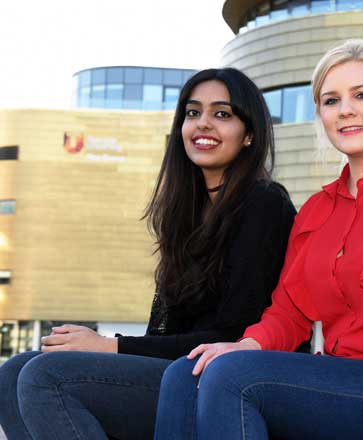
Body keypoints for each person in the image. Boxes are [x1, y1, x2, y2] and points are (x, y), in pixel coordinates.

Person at [154, 39, 363, 440]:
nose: (346, 110)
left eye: (361, 95)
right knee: (188, 373)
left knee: (232, 379)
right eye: (330, 100)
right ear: (321, 114)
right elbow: (289, 313)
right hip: (340, 378)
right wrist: (247, 345)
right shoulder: (318, 210)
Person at [0, 67, 296, 440]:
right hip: (177, 370)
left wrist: (111, 346)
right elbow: (165, 331)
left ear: (249, 133)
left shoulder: (263, 204)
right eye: (193, 113)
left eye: (222, 114)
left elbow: (234, 333)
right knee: (13, 372)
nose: (203, 124)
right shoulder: (186, 210)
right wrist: (104, 348)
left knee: (45, 378)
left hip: (219, 378)